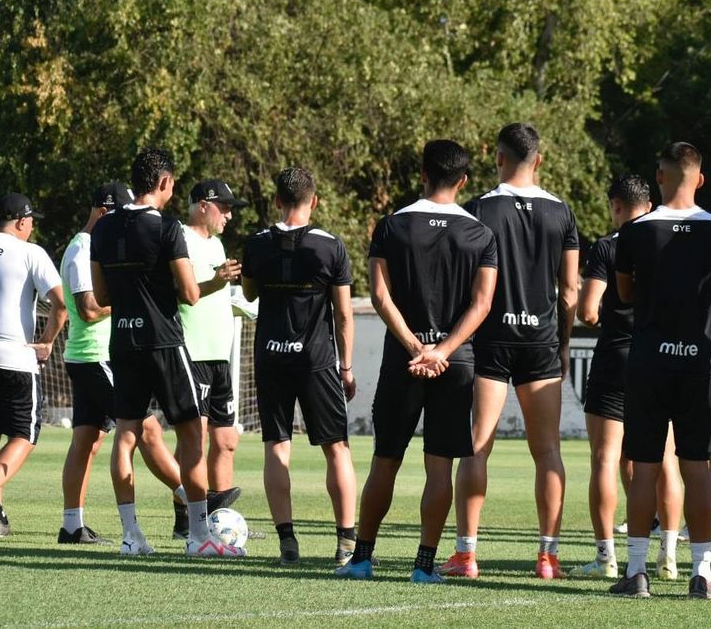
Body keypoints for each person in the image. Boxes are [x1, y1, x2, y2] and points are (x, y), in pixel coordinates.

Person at [335, 140, 497, 584]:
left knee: (385, 459)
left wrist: (414, 346)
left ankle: (363, 560)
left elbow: (381, 296)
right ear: (463, 180)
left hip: (402, 361)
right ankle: (424, 567)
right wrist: (442, 351)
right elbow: (482, 305)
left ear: (423, 173)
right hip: (455, 363)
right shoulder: (481, 234)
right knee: (440, 465)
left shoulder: (391, 226)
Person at [441, 123, 579, 580]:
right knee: (548, 452)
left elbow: (465, 282)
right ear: (538, 159)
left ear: (498, 157)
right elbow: (571, 292)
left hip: (491, 341)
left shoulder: (478, 207)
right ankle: (548, 556)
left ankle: (466, 554)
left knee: (476, 448)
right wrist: (561, 344)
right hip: (539, 344)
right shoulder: (562, 212)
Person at [90, 149, 241, 557]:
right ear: (163, 183)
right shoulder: (168, 227)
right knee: (193, 432)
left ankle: (130, 536)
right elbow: (190, 294)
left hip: (122, 341)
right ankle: (197, 537)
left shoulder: (102, 230)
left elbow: (101, 295)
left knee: (126, 436)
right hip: (165, 343)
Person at [606, 142, 711, 600]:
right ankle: (701, 574)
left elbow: (624, 294)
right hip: (697, 362)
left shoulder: (636, 232)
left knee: (644, 468)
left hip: (648, 360)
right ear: (700, 179)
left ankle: (636, 572)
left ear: (659, 177)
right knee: (697, 468)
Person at [57, 183, 189, 544]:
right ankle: (191, 495)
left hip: (89, 355)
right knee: (145, 430)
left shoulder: (91, 243)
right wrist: (135, 301)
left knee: (86, 439)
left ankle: (71, 525)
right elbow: (88, 307)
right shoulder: (85, 246)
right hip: (95, 355)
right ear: (103, 211)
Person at [242, 167, 358, 567]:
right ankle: (345, 544)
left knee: (276, 445)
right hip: (317, 360)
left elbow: (250, 292)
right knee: (336, 448)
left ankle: (287, 543)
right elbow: (343, 314)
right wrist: (347, 367)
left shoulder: (255, 245)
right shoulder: (330, 246)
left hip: (271, 355)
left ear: (276, 200)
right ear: (315, 201)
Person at [571, 174, 685, 581]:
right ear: (650, 205)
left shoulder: (606, 246)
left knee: (605, 458)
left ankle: (606, 557)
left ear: (616, 206)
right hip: (661, 357)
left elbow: (587, 310)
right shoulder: (671, 243)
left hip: (615, 357)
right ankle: (668, 557)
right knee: (666, 460)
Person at [0, 193, 67, 538]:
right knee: (25, 434)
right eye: (32, 220)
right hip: (14, 358)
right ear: (22, 222)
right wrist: (48, 341)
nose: (33, 225)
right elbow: (62, 304)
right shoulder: (30, 252)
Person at [179, 179, 248, 517]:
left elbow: (216, 291)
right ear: (203, 204)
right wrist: (217, 280)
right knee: (196, 438)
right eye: (225, 207)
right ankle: (187, 517)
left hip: (221, 355)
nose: (229, 216)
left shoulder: (217, 245)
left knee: (226, 441)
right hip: (193, 354)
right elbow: (184, 293)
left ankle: (221, 518)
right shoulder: (179, 238)